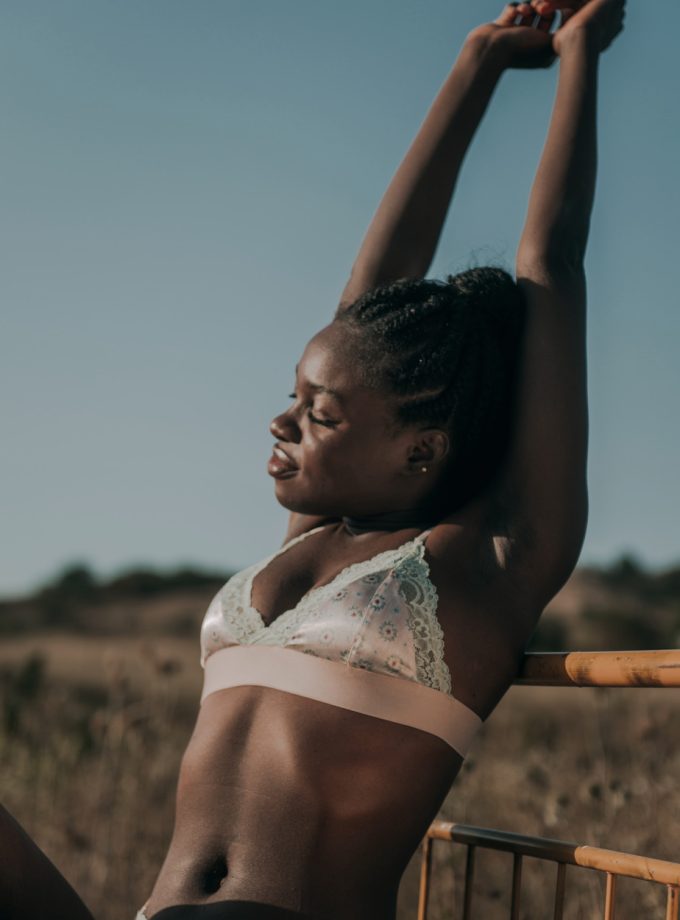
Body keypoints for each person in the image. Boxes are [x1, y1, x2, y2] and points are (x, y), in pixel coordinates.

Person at [0, 1, 626, 917]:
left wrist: (581, 53)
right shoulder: (312, 536)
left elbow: (552, 264)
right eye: (296, 398)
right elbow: (363, 294)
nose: (281, 423)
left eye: (319, 414)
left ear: (420, 449)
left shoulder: (493, 558)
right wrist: (476, 62)